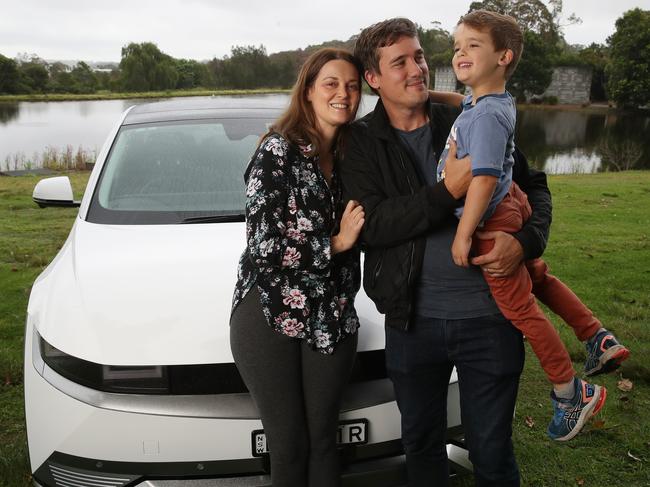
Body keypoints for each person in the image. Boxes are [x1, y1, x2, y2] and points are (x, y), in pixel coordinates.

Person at [339, 17, 552, 487]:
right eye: (401, 62)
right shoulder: (360, 143)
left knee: (492, 451)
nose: (418, 69)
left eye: (419, 56)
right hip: (413, 321)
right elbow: (373, 225)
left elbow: (533, 185)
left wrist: (526, 241)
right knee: (421, 445)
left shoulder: (471, 114)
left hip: (491, 316)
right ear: (373, 78)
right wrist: (447, 190)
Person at [437, 9, 629, 442]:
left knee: (519, 306)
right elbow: (461, 103)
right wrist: (428, 95)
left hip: (491, 217)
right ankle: (595, 335)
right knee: (538, 275)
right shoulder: (490, 100)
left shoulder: (484, 116)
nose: (460, 53)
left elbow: (483, 176)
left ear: (503, 56)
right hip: (512, 204)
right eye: (456, 47)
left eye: (472, 46)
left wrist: (465, 232)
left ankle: (569, 390)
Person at [230, 48, 365, 487]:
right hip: (270, 311)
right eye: (330, 83)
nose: (343, 94)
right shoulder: (277, 151)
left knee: (325, 440)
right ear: (308, 91)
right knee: (288, 445)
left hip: (332, 312)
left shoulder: (353, 155)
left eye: (352, 84)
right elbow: (264, 244)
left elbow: (409, 108)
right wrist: (337, 243)